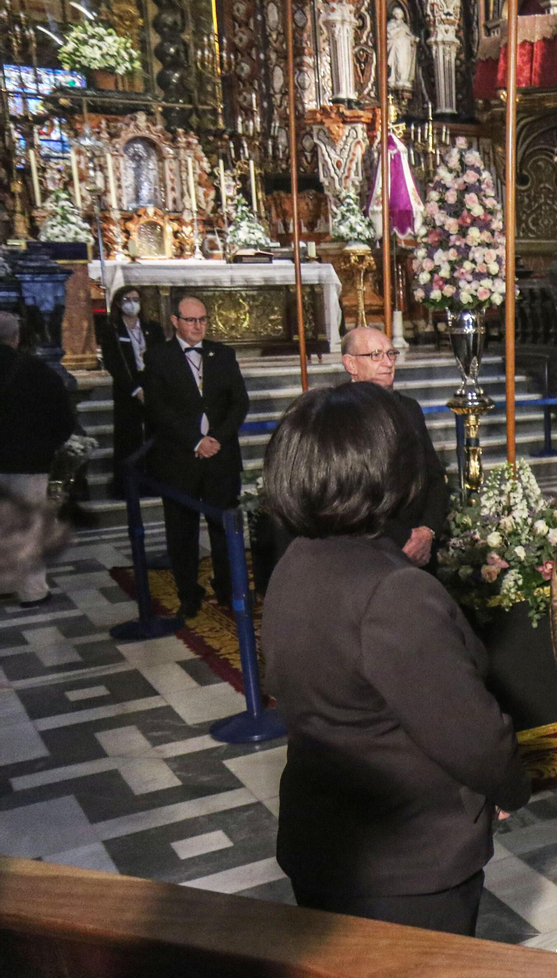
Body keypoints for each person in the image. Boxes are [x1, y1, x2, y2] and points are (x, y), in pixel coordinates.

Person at [262, 382, 530, 936]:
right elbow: (471, 735)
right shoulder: (392, 591)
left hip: (327, 840)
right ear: (384, 471)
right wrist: (507, 787)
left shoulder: (297, 560)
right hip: (404, 865)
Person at [142, 296, 249, 618]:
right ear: (174, 321)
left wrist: (217, 438)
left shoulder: (223, 354)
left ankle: (229, 590)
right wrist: (195, 441)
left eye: (202, 319)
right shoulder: (158, 357)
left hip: (221, 456)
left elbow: (239, 402)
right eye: (191, 320)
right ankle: (189, 593)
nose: (198, 326)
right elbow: (157, 409)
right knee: (181, 531)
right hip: (180, 458)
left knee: (223, 528)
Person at [341, 326, 448, 566]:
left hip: (422, 547)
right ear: (351, 364)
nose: (387, 363)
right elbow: (348, 494)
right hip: (369, 550)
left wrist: (427, 531)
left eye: (391, 354)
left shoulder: (410, 409)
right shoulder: (339, 414)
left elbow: (434, 477)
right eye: (375, 355)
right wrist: (403, 538)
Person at [0, 312, 75, 607]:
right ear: (16, 338)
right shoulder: (38, 371)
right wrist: (46, 449)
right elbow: (64, 420)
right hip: (29, 463)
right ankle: (32, 590)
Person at [99, 285, 162, 499]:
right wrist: (135, 389)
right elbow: (114, 363)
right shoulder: (111, 330)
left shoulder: (152, 328)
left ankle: (154, 481)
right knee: (129, 436)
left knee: (154, 435)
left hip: (151, 386)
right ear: (118, 303)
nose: (132, 303)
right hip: (128, 387)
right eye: (127, 299)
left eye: (136, 299)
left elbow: (161, 357)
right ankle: (127, 486)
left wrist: (153, 387)